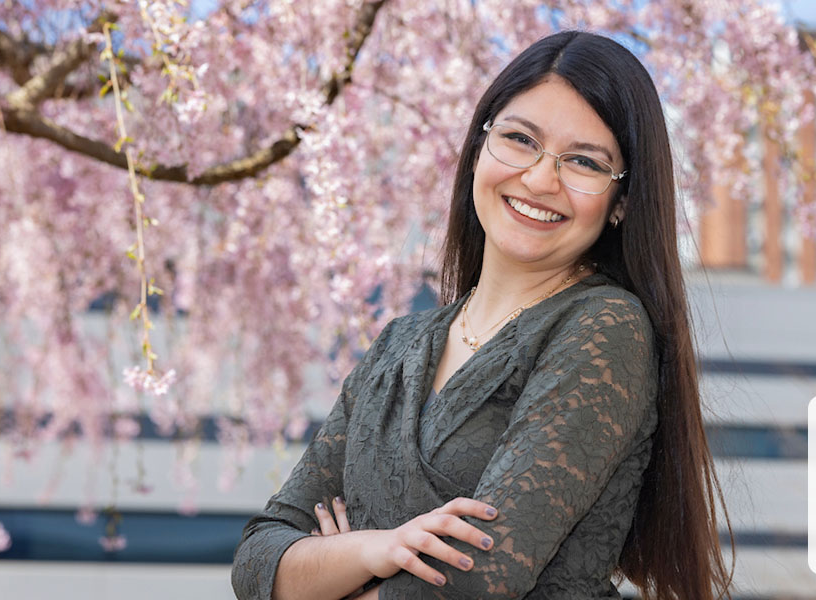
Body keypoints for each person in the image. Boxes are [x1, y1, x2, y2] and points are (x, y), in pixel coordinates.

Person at [231, 31, 732, 600]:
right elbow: (257, 560)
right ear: (478, 150)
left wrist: (330, 579)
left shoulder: (604, 328)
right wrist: (374, 548)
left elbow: (479, 576)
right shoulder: (399, 343)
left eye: (584, 162)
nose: (540, 179)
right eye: (520, 139)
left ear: (622, 202)